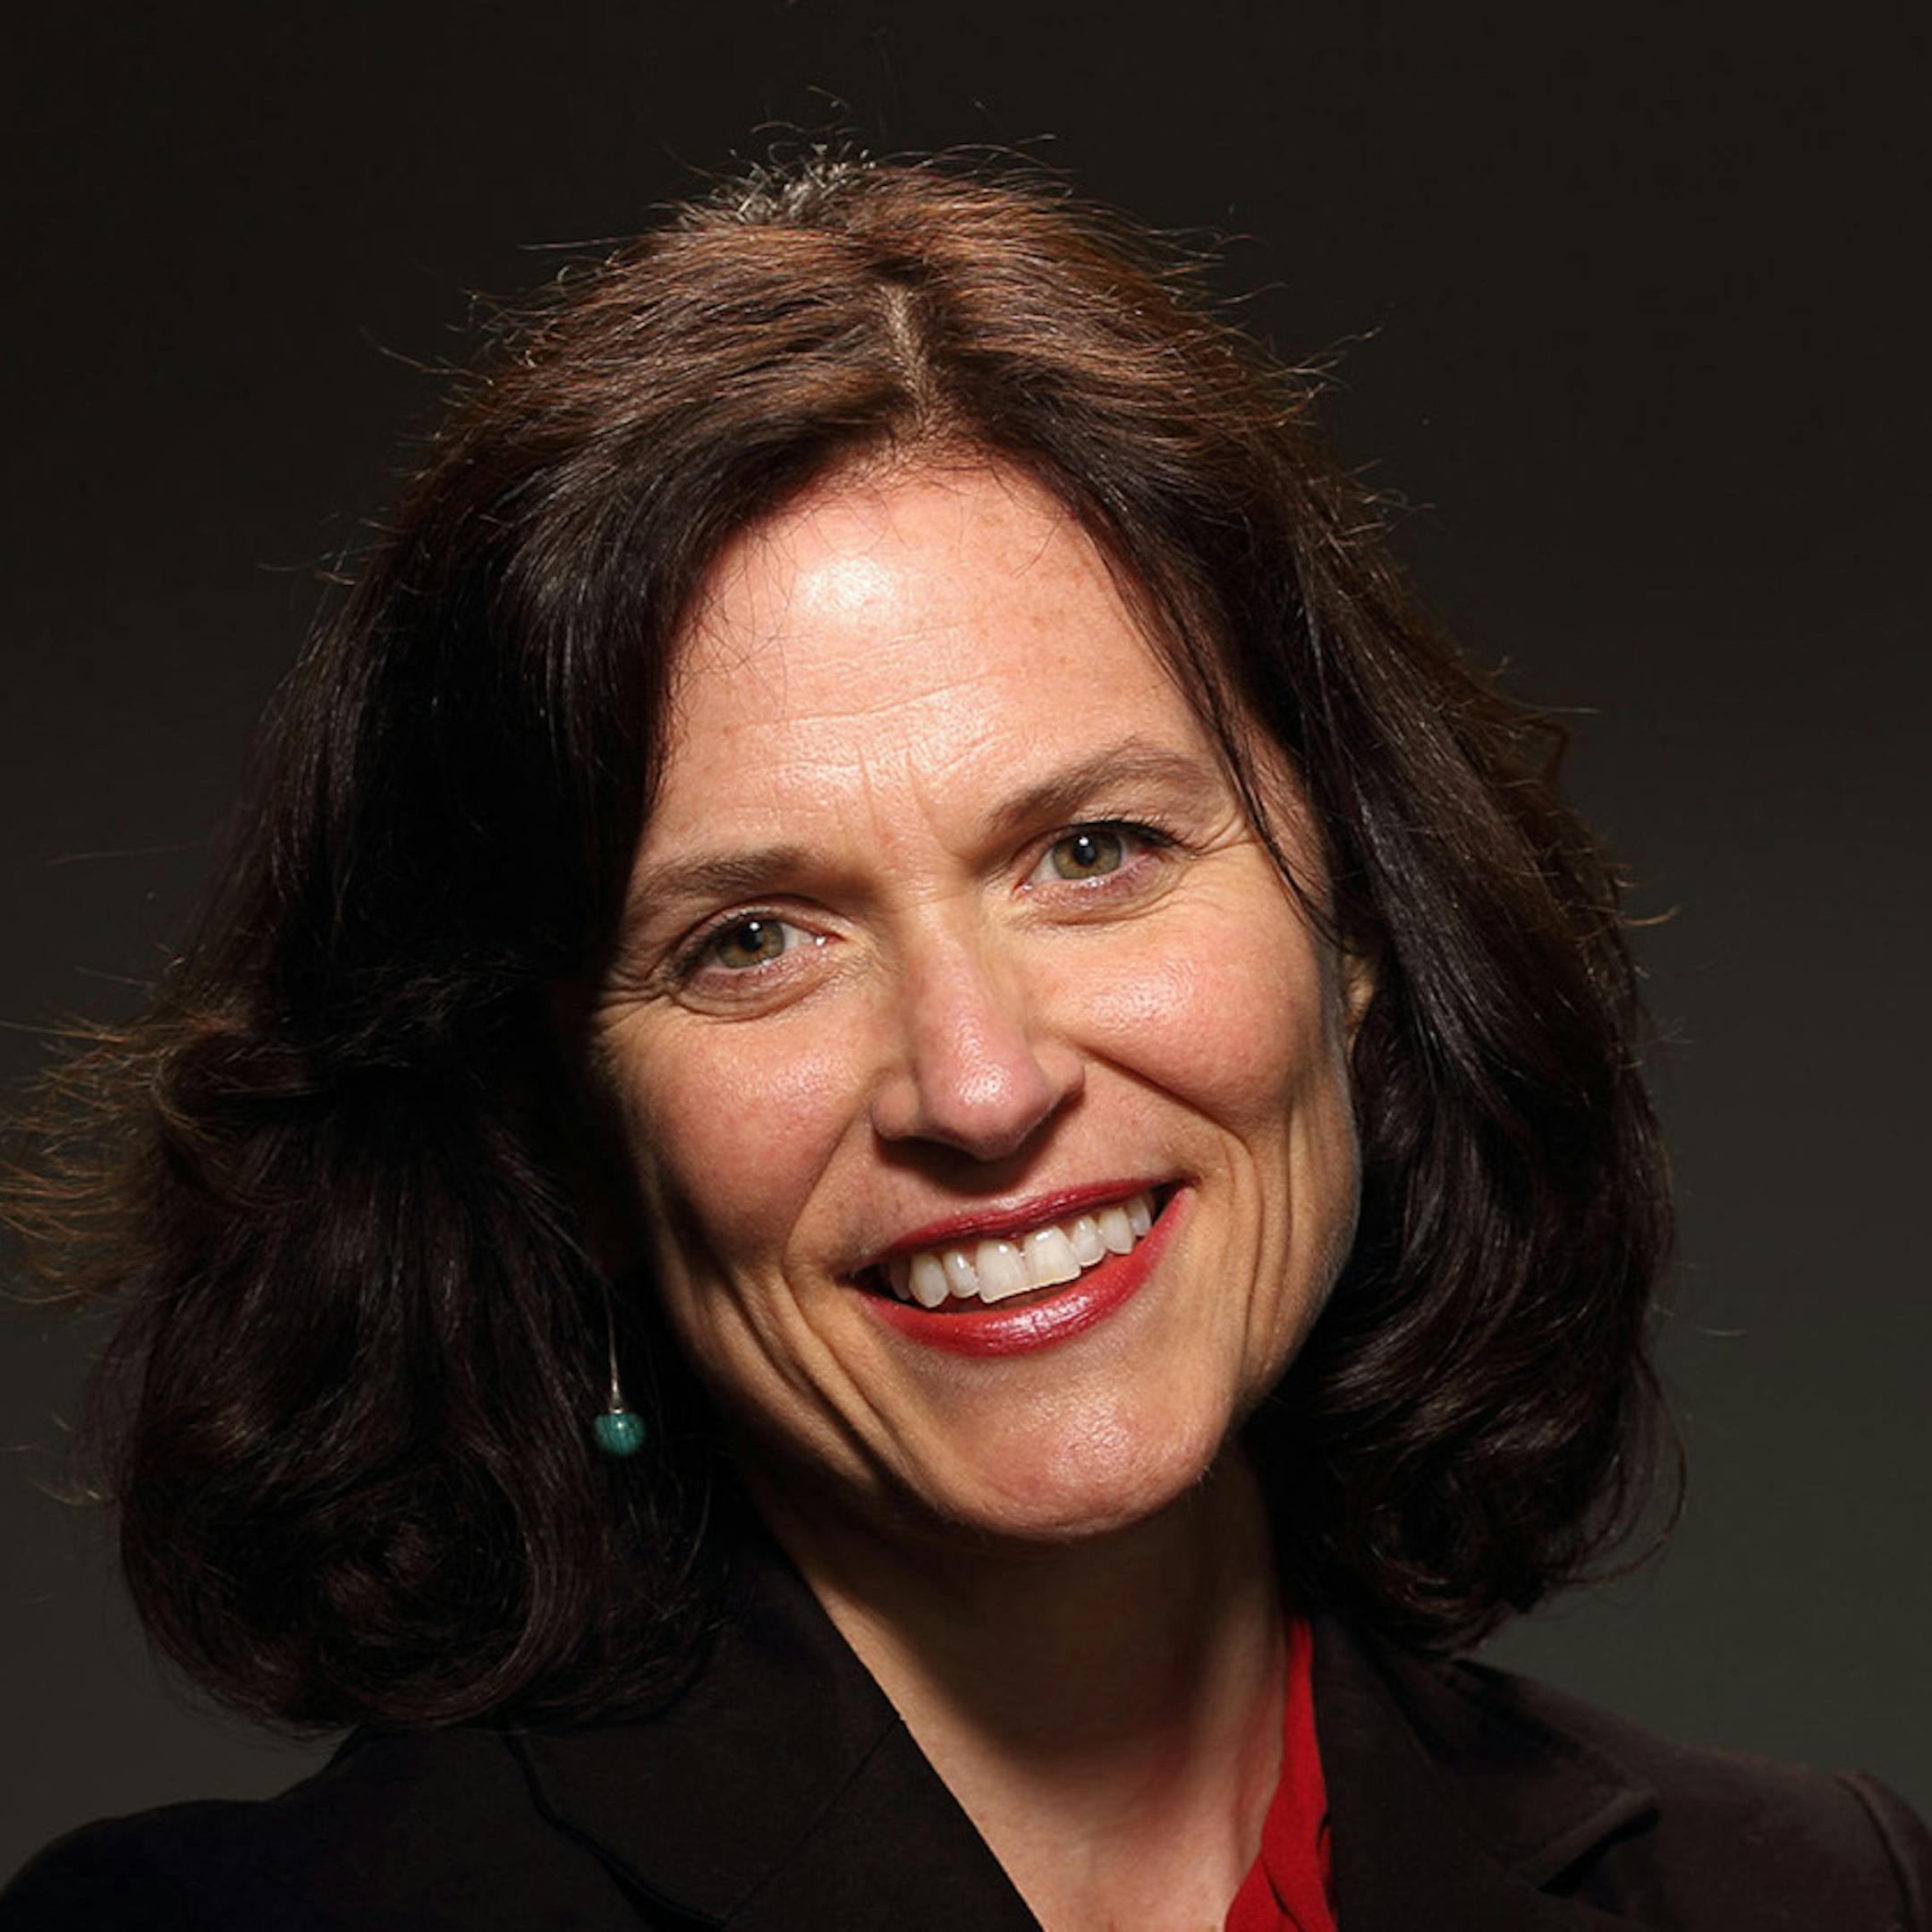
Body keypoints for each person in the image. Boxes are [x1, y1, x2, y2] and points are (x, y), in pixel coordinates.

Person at [1, 152, 1925, 1931]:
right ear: (559, 1124)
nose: (982, 1088)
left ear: (1356, 928)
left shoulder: (1816, 1900)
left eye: (1094, 851)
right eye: (752, 940)